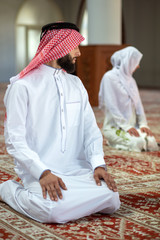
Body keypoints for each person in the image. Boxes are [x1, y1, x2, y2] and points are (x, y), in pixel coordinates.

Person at [0, 22, 120, 223]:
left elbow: (90, 129)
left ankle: (70, 198)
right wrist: (43, 172)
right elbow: (14, 140)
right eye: (75, 46)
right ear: (59, 47)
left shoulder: (76, 84)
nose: (79, 53)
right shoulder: (22, 86)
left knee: (112, 199)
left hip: (76, 169)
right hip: (41, 171)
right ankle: (9, 189)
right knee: (52, 211)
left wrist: (98, 165)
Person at [99, 46, 159, 152]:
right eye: (136, 62)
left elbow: (139, 105)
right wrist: (126, 127)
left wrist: (143, 124)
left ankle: (124, 140)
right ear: (128, 62)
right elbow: (111, 105)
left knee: (151, 141)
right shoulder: (109, 77)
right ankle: (112, 141)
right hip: (114, 127)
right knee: (138, 143)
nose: (138, 66)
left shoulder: (131, 80)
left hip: (132, 127)